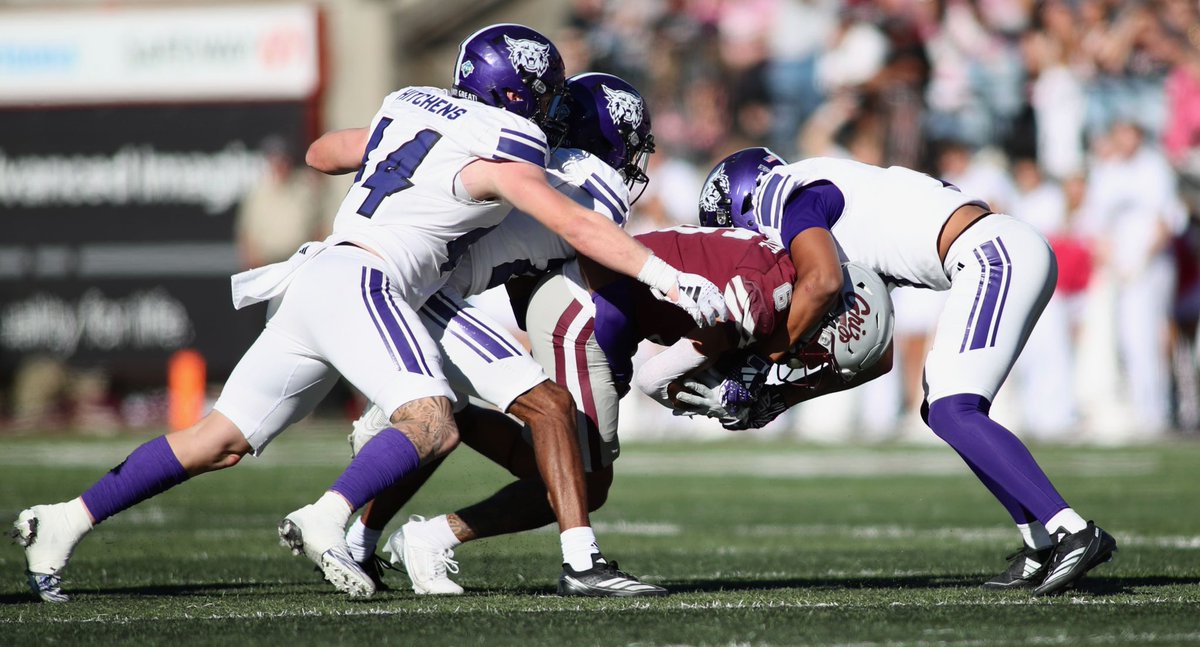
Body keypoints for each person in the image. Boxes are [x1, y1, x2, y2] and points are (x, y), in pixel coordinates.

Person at [12, 24, 728, 603]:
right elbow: (576, 227)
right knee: (432, 419)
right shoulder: (514, 150)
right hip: (375, 284)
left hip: (322, 271)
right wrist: (668, 277)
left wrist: (408, 168)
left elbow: (324, 151)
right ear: (516, 96)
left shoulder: (410, 104)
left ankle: (66, 518)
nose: (545, 112)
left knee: (217, 439)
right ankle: (330, 515)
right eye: (538, 97)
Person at [688, 147, 1117, 596]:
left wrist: (757, 365)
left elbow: (823, 283)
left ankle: (1073, 531)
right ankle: (1041, 542)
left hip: (994, 256)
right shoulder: (840, 213)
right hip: (999, 253)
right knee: (940, 409)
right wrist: (782, 398)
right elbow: (878, 355)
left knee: (955, 410)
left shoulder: (796, 198)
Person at [340, 71, 667, 597]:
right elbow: (598, 296)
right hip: (432, 298)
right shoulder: (591, 181)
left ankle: (360, 540)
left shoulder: (505, 151)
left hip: (399, 283)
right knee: (565, 443)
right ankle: (578, 564)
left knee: (462, 424)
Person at [352, 223, 809, 595]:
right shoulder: (766, 290)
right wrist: (717, 401)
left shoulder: (766, 257)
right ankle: (439, 536)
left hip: (590, 310)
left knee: (555, 465)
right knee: (584, 482)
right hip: (584, 313)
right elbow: (657, 379)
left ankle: (446, 413)